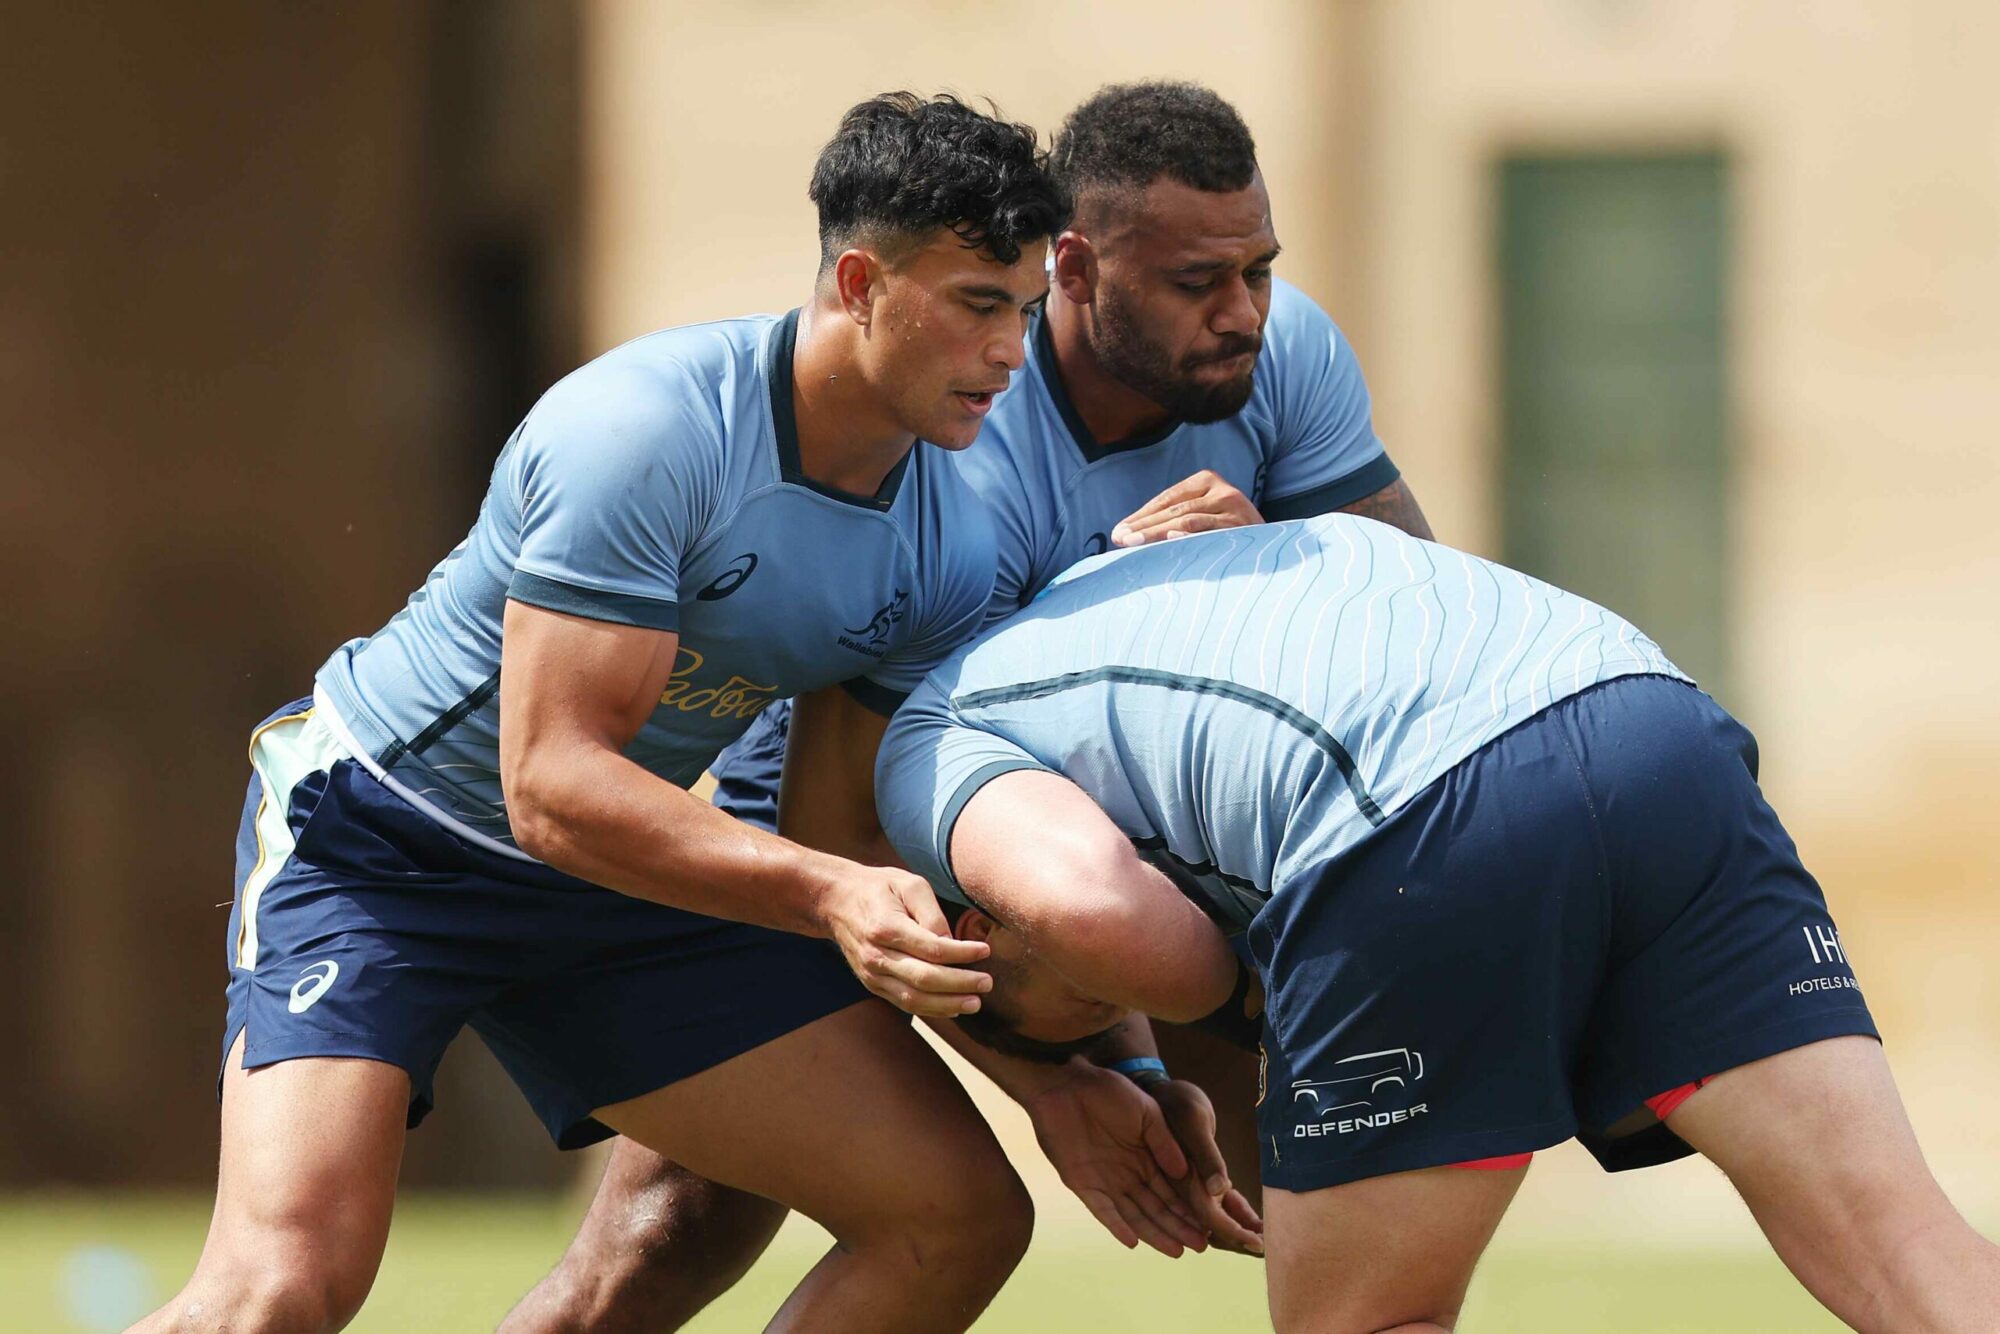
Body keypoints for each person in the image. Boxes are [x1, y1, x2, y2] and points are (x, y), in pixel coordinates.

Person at [503, 80, 1435, 1332]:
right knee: (672, 1227)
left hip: (1156, 829)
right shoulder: (962, 437)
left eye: (1258, 269)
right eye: (1193, 283)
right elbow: (876, 800)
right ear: (1076, 268)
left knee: (1325, 1167)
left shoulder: (1279, 348)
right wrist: (1086, 1072)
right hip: (886, 815)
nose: (1242, 314)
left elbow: (1411, 593)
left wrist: (1268, 549)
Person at [137, 93, 1076, 1334]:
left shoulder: (952, 535)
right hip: (382, 838)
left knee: (954, 1214)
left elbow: (835, 839)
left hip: (610, 876)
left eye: (1026, 309)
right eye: (974, 304)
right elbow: (552, 784)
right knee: (279, 1293)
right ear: (859, 280)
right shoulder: (645, 431)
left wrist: (1067, 1079)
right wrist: (826, 892)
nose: (1011, 353)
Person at [875, 513, 2000, 1334]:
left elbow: (1094, 911)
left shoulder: (938, 727)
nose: (1114, 1019)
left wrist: (1254, 1002)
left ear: (978, 924)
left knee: (1366, 1319)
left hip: (1421, 809)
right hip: (1656, 722)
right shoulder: (1179, 563)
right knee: (1906, 1249)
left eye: (1065, 1010)